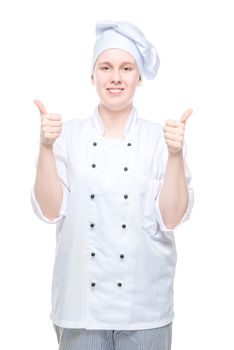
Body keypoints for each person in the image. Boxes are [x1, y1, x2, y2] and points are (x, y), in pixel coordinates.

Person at [31, 20, 194, 350]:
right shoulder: (67, 137)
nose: (116, 77)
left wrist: (176, 154)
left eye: (126, 68)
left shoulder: (161, 140)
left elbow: (172, 218)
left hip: (145, 309)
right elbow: (49, 211)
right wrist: (45, 147)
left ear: (138, 77)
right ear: (93, 75)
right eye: (106, 67)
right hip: (81, 311)